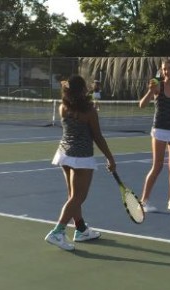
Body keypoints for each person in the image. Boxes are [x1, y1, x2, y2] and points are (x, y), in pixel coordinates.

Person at [45, 75, 117, 251]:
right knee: (78, 197)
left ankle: (81, 229)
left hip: (64, 154)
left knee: (73, 197)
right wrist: (110, 157)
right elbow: (97, 136)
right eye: (85, 87)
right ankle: (57, 231)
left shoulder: (63, 108)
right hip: (81, 157)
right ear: (82, 90)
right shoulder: (89, 111)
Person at [138, 59, 170, 212]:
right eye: (164, 69)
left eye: (169, 68)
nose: (166, 71)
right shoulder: (157, 86)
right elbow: (142, 105)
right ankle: (144, 201)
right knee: (158, 166)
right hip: (159, 129)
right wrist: (150, 90)